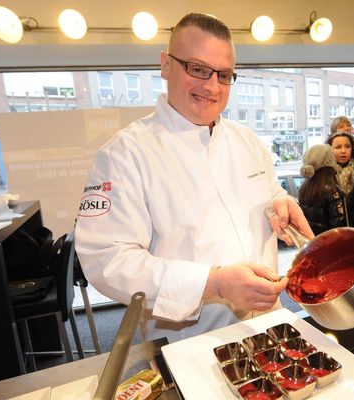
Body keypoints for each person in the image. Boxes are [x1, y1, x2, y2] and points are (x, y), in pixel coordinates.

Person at [74, 13, 313, 343]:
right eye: (198, 69)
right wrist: (213, 284)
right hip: (189, 342)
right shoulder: (123, 154)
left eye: (224, 75)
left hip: (268, 326)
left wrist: (279, 203)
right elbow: (108, 261)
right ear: (165, 65)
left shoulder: (247, 141)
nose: (212, 86)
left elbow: (265, 196)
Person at [298, 144, 348, 235]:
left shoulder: (305, 187)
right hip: (328, 242)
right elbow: (339, 224)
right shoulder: (333, 190)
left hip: (310, 240)